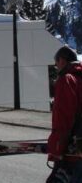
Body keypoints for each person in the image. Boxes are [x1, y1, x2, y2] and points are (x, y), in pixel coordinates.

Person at [47, 46, 82, 183]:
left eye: (56, 62)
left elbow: (63, 118)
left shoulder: (67, 79)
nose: (56, 66)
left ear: (62, 60)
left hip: (73, 151)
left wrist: (56, 149)